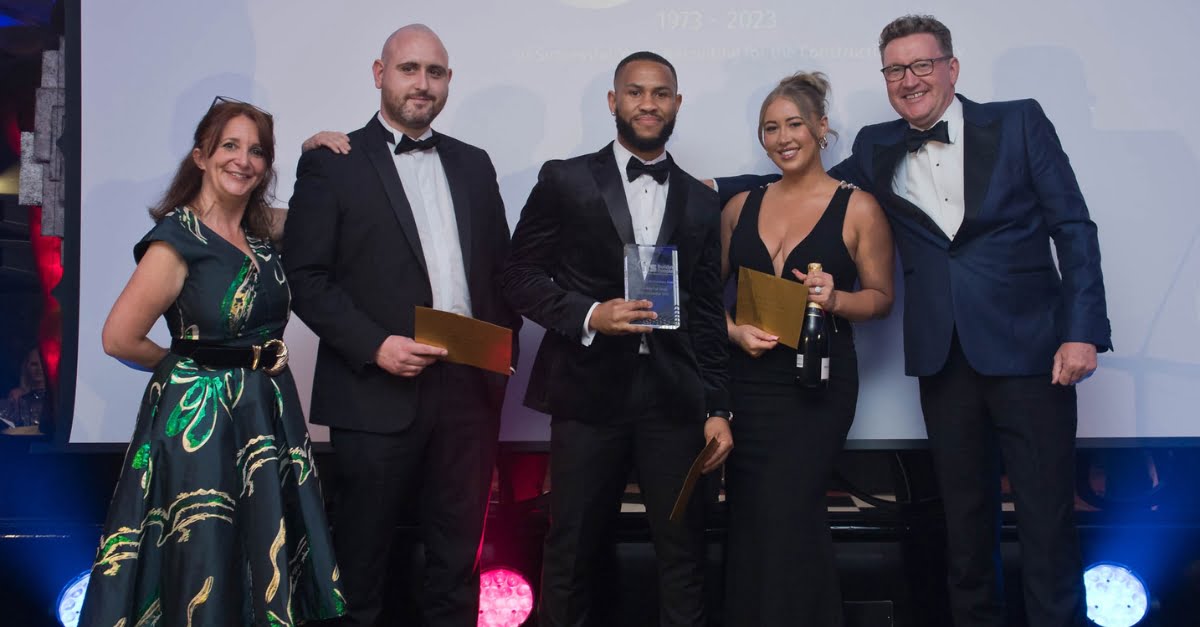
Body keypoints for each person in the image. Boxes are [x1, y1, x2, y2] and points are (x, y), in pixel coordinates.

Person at [717, 14, 1112, 627]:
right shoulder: (876, 146)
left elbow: (1073, 228)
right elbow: (807, 183)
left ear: (951, 68)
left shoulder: (1019, 121)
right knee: (965, 523)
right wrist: (705, 187)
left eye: (921, 65)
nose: (909, 79)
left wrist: (1082, 331)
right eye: (896, 69)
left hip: (1032, 351)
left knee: (1046, 518)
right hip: (942, 357)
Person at [283, 24, 521, 627]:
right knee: (361, 565)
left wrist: (500, 346)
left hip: (468, 392)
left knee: (456, 565)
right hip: (375, 390)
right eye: (409, 69)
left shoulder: (474, 163)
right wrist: (376, 346)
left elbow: (501, 270)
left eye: (435, 73)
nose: (422, 84)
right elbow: (306, 277)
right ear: (379, 73)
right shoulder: (331, 163)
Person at [79, 98, 345, 625]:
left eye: (257, 151)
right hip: (201, 428)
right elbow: (119, 338)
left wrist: (314, 156)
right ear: (201, 155)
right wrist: (189, 370)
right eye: (230, 146)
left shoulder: (263, 230)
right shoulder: (176, 241)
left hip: (268, 418)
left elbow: (326, 213)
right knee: (206, 557)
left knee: (261, 555)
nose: (243, 160)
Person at [502, 51, 734, 627]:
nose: (648, 104)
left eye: (660, 94)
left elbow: (706, 311)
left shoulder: (703, 201)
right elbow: (517, 276)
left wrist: (717, 406)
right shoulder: (565, 178)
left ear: (677, 104)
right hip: (585, 396)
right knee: (572, 549)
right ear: (614, 101)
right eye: (635, 92)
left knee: (682, 553)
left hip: (674, 402)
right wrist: (587, 314)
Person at [720, 72, 894, 626]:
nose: (782, 137)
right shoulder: (739, 206)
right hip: (746, 384)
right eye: (770, 128)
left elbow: (883, 300)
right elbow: (703, 295)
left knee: (792, 509)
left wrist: (837, 299)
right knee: (750, 513)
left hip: (816, 383)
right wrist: (731, 331)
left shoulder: (858, 206)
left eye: (794, 123)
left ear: (822, 128)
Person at [1, 347, 48, 430]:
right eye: (34, 364)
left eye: (43, 364)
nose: (39, 368)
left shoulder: (58, 398)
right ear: (26, 367)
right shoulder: (18, 397)